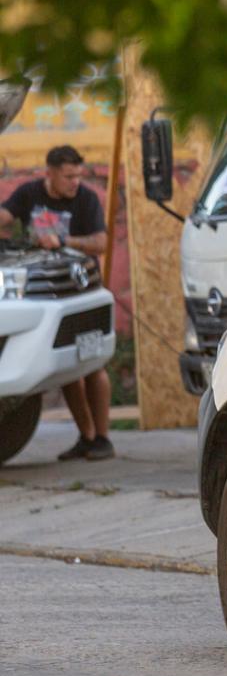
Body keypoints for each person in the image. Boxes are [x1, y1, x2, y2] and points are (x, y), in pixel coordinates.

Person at [0, 145, 114, 461]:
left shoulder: (86, 199)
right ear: (49, 173)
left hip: (81, 290)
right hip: (47, 296)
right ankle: (87, 438)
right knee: (66, 368)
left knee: (93, 364)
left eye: (78, 176)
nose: (75, 182)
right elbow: (5, 215)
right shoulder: (29, 193)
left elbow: (101, 243)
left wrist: (63, 241)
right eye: (68, 177)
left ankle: (103, 438)